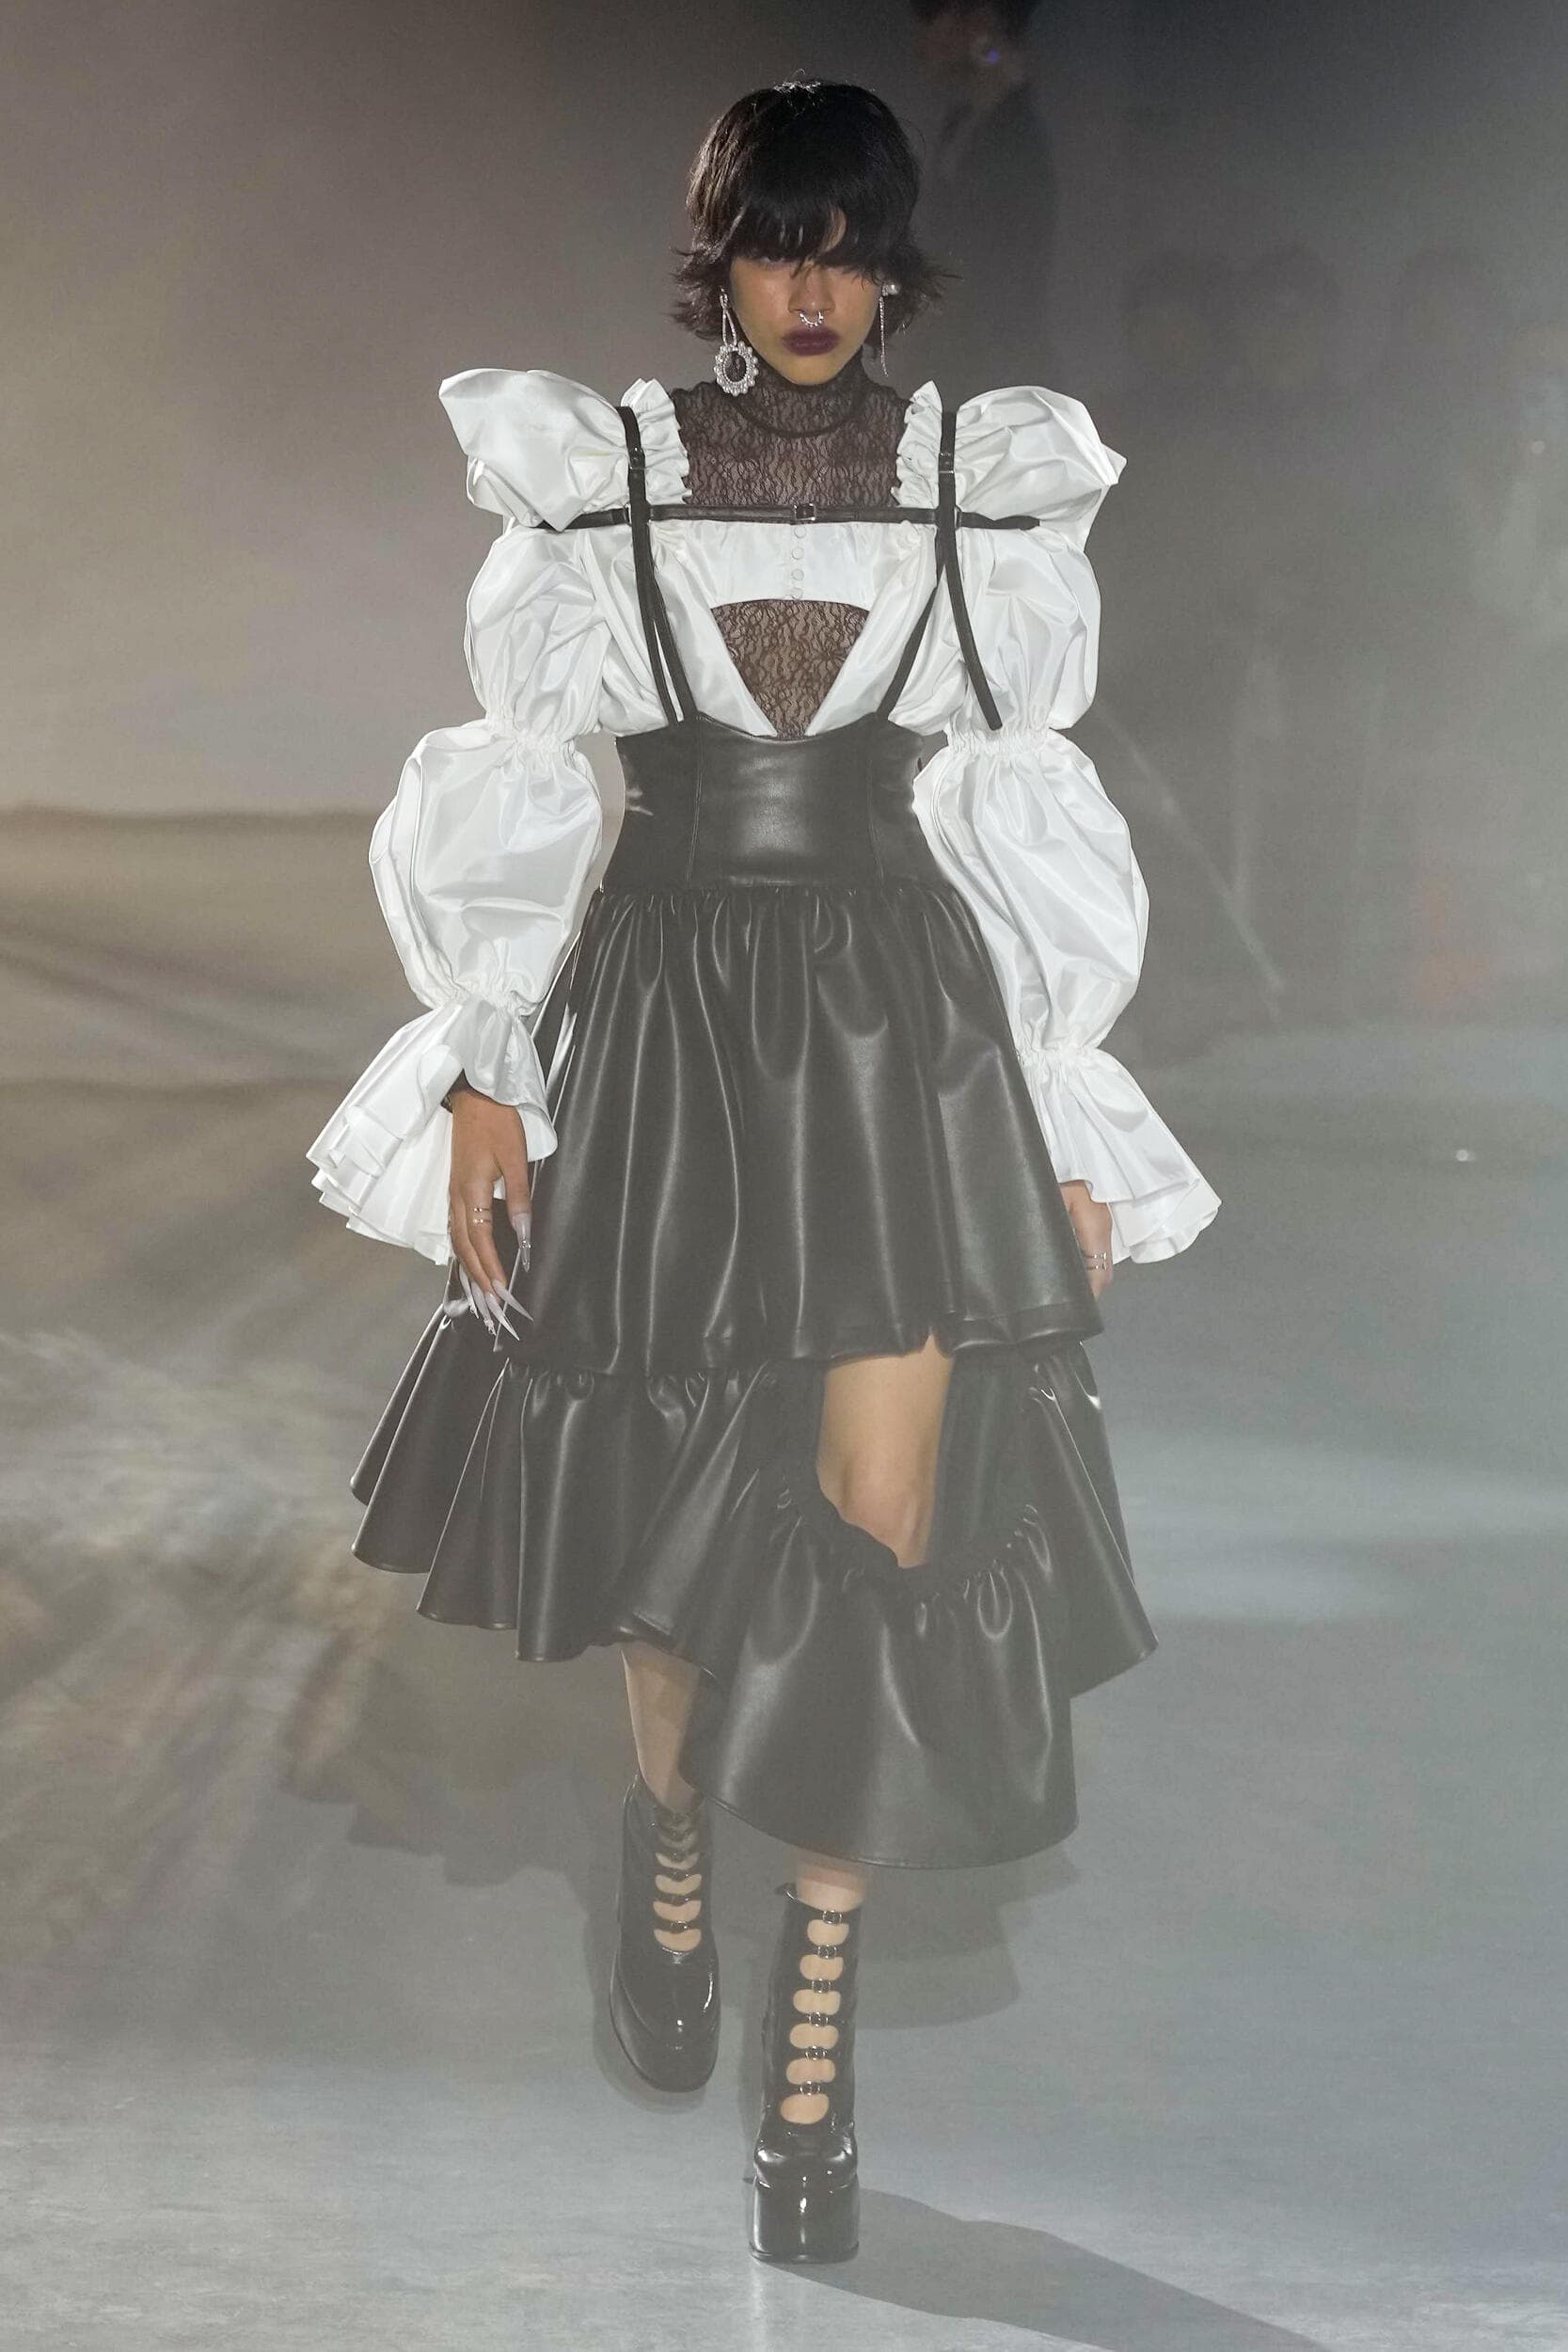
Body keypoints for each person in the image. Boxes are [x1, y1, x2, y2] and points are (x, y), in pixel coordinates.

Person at [307, 78, 1219, 2266]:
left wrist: (1062, 1111)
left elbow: (1014, 804)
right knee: (668, 1526)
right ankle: (668, 1829)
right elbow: (529, 775)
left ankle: (811, 2043)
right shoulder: (605, 483)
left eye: (848, 248)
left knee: (884, 1525)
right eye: (776, 245)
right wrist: (487, 1068)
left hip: (903, 1041)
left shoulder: (971, 494)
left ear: (895, 270)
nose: (813, 288)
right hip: (669, 1025)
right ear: (718, 262)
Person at [902, 0, 1058, 399]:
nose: (920, 39)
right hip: (958, 360)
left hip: (991, 371)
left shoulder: (1016, 138)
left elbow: (1002, 272)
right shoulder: (964, 123)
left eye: (930, 18)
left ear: (981, 21)